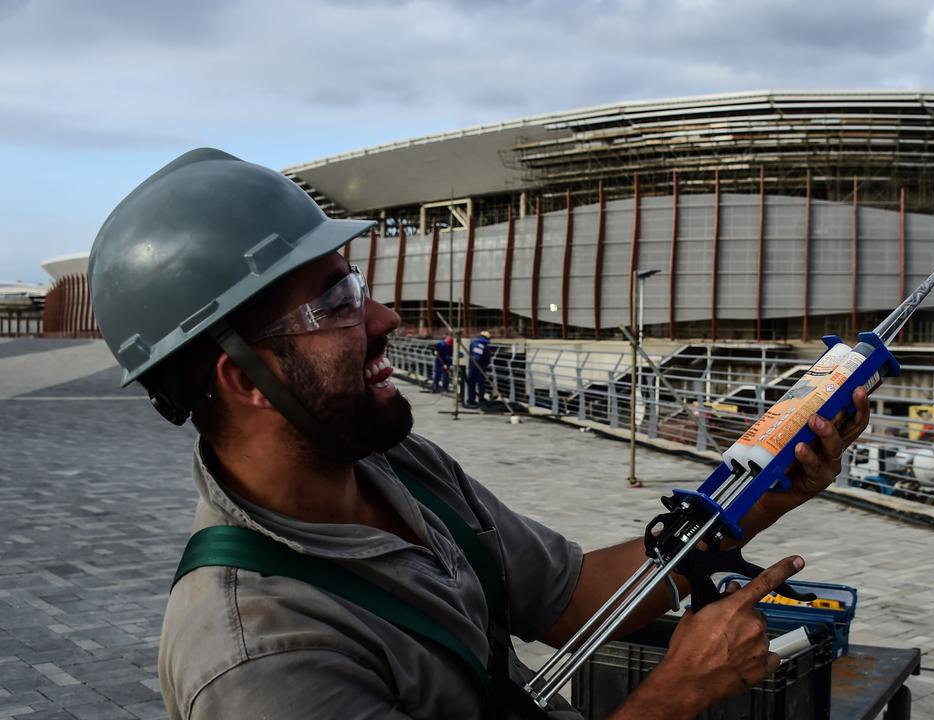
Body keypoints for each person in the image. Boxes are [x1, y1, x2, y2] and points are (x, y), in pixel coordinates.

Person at [88, 148, 870, 720]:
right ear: (240, 380)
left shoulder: (399, 467)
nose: (386, 320)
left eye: (355, 285)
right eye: (333, 304)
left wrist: (750, 500)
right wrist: (673, 695)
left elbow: (566, 600)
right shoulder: (259, 657)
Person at [466, 330, 493, 407]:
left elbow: (470, 353)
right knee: (480, 384)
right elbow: (487, 359)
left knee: (471, 383)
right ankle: (481, 399)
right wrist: (486, 365)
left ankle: (471, 400)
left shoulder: (473, 343)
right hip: (480, 367)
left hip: (472, 366)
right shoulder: (486, 346)